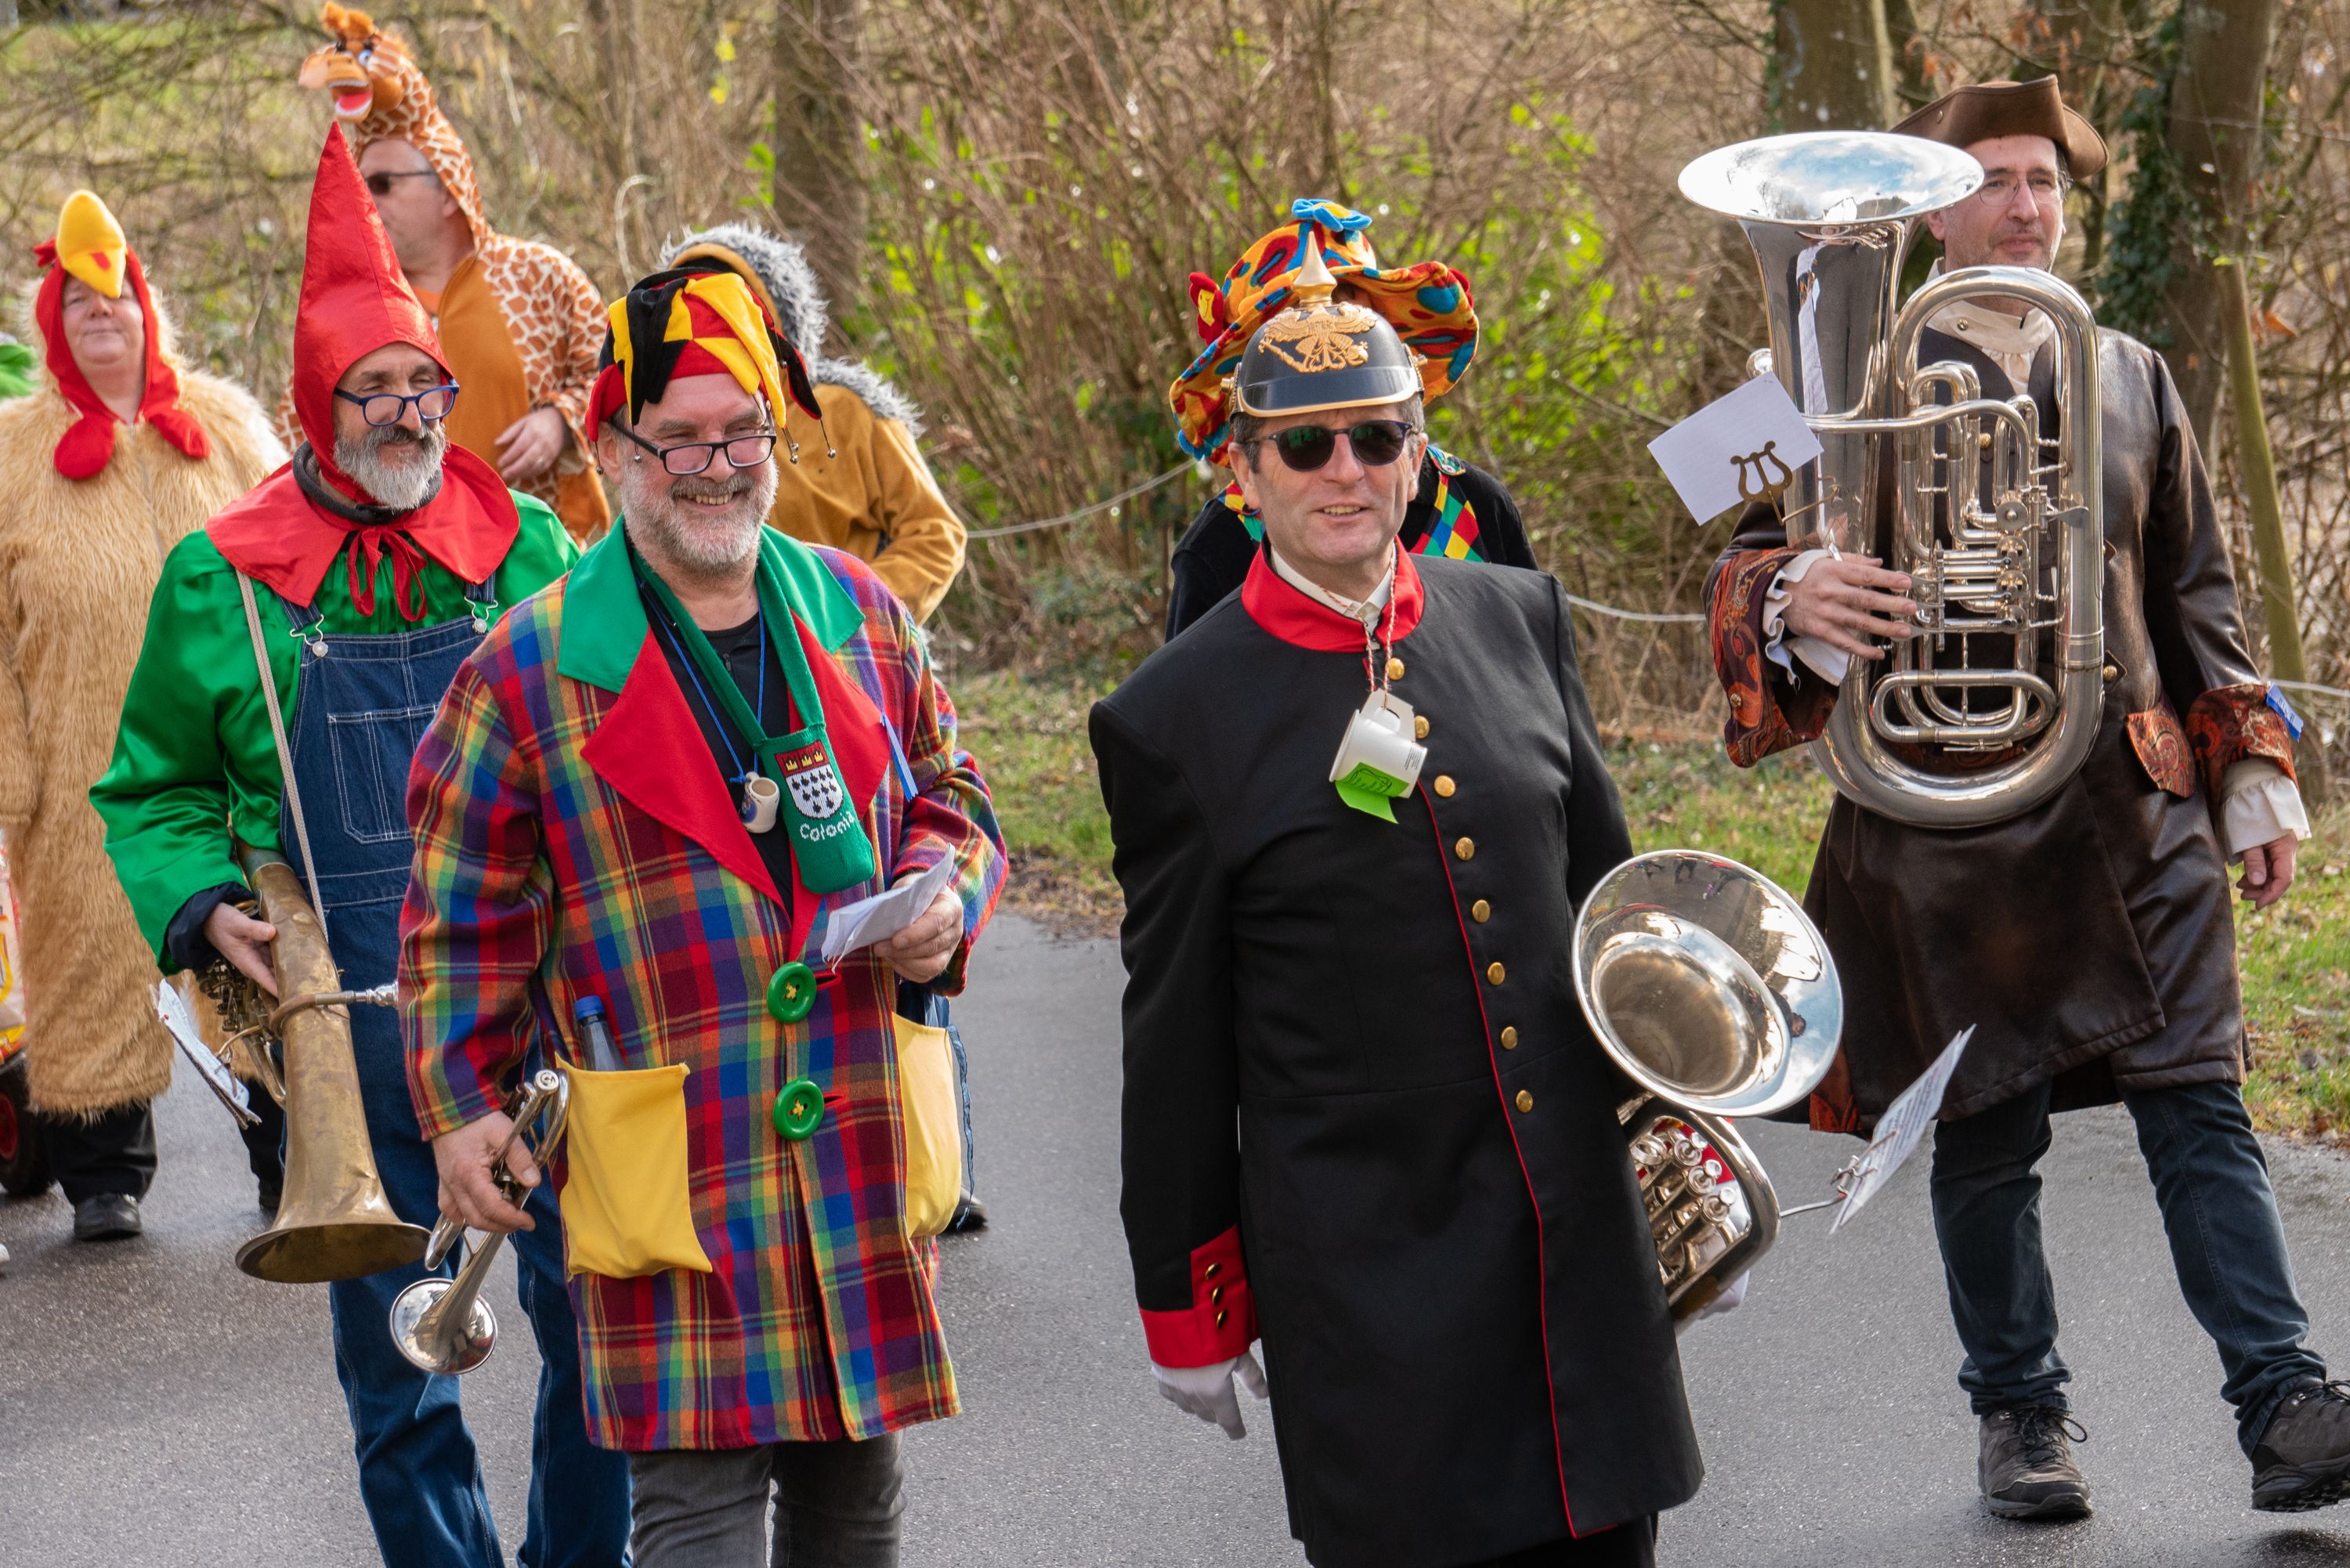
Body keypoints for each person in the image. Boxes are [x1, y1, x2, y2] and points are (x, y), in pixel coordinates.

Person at [1706, 75, 2350, 1519]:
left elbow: (2197, 588)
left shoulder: (2132, 371)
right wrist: (1795, 590)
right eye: (1993, 176)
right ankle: (2020, 1416)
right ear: (1926, 206)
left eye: (2046, 180)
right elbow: (1719, 563)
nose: (2025, 203)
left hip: (2131, 809)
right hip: (1943, 823)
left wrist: (2254, 767)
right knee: (1989, 1137)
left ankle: (2286, 1398)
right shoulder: (1810, 377)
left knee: (2203, 1109)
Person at [1092, 244, 1701, 1568]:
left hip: (1576, 1260)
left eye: (1376, 436)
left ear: (1421, 455)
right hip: (1375, 1285)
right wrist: (1184, 1295)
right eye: (1304, 448)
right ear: (1242, 474)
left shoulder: (1519, 615)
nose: (1345, 471)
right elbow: (1178, 1040)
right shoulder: (1170, 719)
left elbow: (1611, 915)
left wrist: (1683, 1143)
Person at [402, 263, 1006, 1566]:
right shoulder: (526, 665)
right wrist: (459, 1107)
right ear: (617, 451)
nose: (716, 465)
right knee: (696, 1508)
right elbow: (458, 925)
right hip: (675, 1150)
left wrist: (948, 890)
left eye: (742, 432)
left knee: (857, 1485)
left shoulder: (860, 609)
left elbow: (954, 791)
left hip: (852, 1121)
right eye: (679, 438)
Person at [89, 129, 624, 1567]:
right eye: (371, 390)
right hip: (348, 1035)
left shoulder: (524, 545)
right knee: (398, 1377)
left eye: (422, 386)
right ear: (315, 407)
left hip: (536, 1008)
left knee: (604, 1355)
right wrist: (202, 907)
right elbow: (149, 792)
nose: (403, 413)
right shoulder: (224, 574)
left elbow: (617, 744)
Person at [661, 222, 991, 1228]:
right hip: (725, 709)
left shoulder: (845, 414)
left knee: (908, 912)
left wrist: (852, 624)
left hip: (858, 702)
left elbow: (935, 529)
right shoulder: (669, 426)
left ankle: (936, 1147)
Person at [0, 190, 284, 1241]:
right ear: (50, 320)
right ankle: (103, 1168)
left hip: (224, 754)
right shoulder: (14, 457)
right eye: (77, 300)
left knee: (252, 936)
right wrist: (12, 770)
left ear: (146, 305)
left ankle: (288, 1139)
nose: (101, 311)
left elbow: (295, 564)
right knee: (88, 955)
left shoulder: (225, 427)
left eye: (115, 293)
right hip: (78, 753)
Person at [297, 2, 612, 540]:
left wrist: (560, 422)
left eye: (385, 184)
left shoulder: (539, 277)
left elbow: (612, 373)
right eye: (362, 185)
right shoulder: (347, 308)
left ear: (447, 187)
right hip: (406, 572)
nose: (367, 203)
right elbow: (303, 429)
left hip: (533, 559)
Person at [1162, 197, 1535, 638]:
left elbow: (1532, 672)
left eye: (1350, 315)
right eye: (1295, 326)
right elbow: (1192, 695)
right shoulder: (1221, 545)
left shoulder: (1476, 501)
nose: (1325, 352)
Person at [661, 223, 969, 623]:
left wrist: (848, 615)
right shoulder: (658, 423)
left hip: (845, 662)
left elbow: (935, 534)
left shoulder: (846, 411)